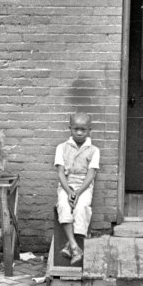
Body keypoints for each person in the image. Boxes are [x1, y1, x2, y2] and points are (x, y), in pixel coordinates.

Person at [54, 111, 100, 265]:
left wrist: (78, 193)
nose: (79, 133)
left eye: (83, 130)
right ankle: (75, 247)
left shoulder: (94, 150)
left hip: (84, 187)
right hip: (66, 185)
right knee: (63, 206)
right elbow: (60, 173)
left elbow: (91, 174)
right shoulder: (61, 148)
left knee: (81, 208)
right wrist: (68, 192)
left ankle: (70, 246)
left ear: (89, 130)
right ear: (70, 129)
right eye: (76, 129)